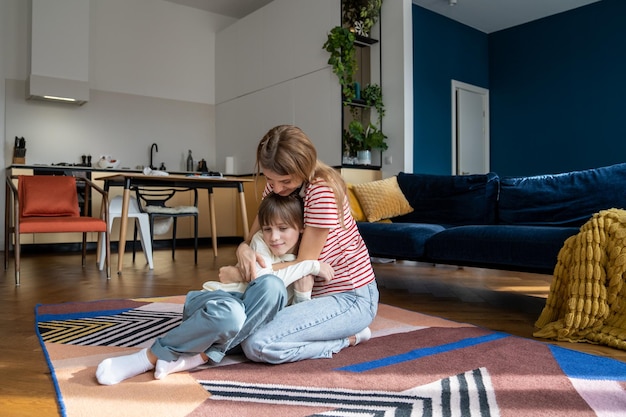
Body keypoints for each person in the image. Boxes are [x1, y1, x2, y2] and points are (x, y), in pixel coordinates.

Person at [96, 192, 332, 385]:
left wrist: (303, 290)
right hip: (213, 306)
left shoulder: (302, 264)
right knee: (255, 297)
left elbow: (294, 320)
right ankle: (147, 357)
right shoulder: (261, 242)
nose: (274, 236)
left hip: (240, 326)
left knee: (249, 321)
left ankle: (200, 355)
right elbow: (263, 277)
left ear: (301, 227)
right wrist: (309, 265)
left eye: (283, 229)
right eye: (268, 228)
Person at [231, 124, 379, 364]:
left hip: (349, 297)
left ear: (304, 166)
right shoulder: (277, 182)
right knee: (230, 335)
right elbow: (253, 238)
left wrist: (239, 272)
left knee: (258, 345)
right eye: (270, 179)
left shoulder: (322, 191)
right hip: (299, 292)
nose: (277, 189)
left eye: (285, 181)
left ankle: (349, 338)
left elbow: (304, 264)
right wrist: (243, 249)